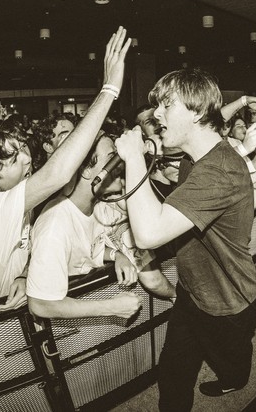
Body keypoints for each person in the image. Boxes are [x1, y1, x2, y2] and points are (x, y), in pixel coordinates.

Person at [0, 26, 131, 306]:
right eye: (12, 160)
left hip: (17, 314)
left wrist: (23, 273)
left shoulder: (16, 199)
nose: (27, 158)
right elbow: (59, 173)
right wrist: (109, 89)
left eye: (21, 149)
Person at [115, 68, 256, 411]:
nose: (157, 114)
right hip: (192, 291)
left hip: (228, 301)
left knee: (230, 360)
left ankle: (235, 378)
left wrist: (134, 157)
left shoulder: (218, 171)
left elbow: (148, 234)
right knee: (174, 370)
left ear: (196, 112)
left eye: (166, 105)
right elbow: (213, 118)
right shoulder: (194, 157)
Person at [27, 133, 173, 319]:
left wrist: (116, 255)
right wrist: (112, 307)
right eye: (112, 158)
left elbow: (83, 249)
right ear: (86, 171)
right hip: (69, 326)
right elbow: (40, 304)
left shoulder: (96, 205)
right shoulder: (54, 227)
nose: (120, 164)